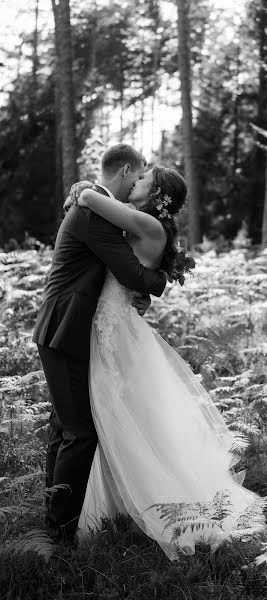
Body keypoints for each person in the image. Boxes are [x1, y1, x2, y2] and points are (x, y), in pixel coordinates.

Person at [70, 165, 267, 561]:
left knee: (114, 413)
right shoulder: (148, 224)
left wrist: (84, 187)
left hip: (113, 331)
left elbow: (91, 199)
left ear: (157, 193)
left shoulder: (146, 223)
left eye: (141, 180)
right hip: (114, 325)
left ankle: (148, 502)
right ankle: (117, 504)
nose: (134, 183)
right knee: (119, 415)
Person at [32, 145, 167, 544]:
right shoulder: (93, 212)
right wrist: (161, 284)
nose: (139, 181)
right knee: (80, 432)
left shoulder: (96, 205)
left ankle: (52, 519)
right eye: (139, 175)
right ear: (126, 171)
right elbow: (129, 272)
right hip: (66, 328)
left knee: (64, 425)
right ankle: (59, 532)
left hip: (66, 328)